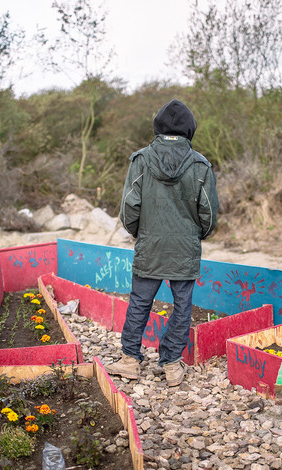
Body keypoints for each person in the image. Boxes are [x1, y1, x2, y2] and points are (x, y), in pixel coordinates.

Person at [105, 99, 219, 386]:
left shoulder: (141, 161)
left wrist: (140, 233)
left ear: (158, 126)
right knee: (182, 306)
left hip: (150, 245)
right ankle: (170, 365)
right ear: (189, 129)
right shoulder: (200, 164)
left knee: (140, 302)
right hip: (185, 247)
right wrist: (196, 235)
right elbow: (208, 212)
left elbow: (129, 207)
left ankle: (130, 360)